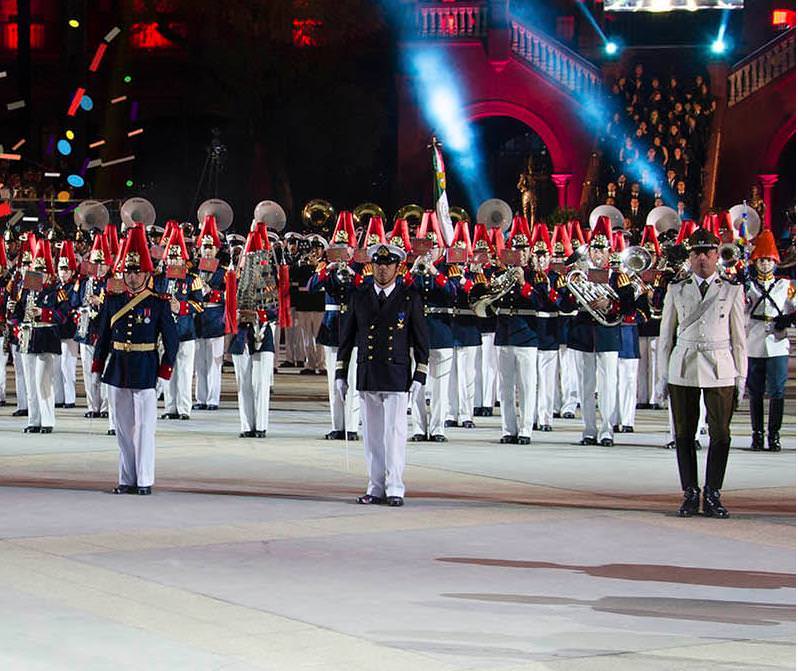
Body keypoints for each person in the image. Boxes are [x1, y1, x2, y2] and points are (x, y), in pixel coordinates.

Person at [655, 228, 747, 518]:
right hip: (684, 366)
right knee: (684, 433)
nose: (702, 258)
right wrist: (661, 377)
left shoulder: (732, 290)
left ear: (717, 256)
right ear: (690, 257)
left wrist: (740, 377)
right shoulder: (676, 289)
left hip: (720, 366)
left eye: (708, 252)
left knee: (720, 434)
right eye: (696, 253)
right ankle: (690, 492)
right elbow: (665, 337)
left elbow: (739, 338)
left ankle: (713, 492)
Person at [336, 242, 429, 507]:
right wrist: (341, 373)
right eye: (378, 263)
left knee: (394, 434)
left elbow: (421, 340)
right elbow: (347, 337)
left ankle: (395, 487)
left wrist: (420, 375)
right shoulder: (360, 295)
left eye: (388, 264)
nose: (382, 269)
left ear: (398, 267)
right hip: (368, 372)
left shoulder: (409, 297)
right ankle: (375, 487)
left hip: (396, 373)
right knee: (373, 437)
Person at [92, 223, 178, 495]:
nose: (132, 277)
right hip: (117, 368)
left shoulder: (159, 302)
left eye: (137, 271)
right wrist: (97, 363)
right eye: (128, 271)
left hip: (145, 368)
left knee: (144, 429)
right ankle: (126, 478)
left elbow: (172, 341)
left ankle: (144, 480)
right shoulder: (113, 301)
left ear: (146, 273)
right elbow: (103, 334)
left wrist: (165, 371)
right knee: (122, 428)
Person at [744, 230, 795, 451]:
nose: (765, 264)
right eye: (761, 260)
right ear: (756, 262)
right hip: (754, 341)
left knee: (777, 391)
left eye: (769, 260)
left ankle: (774, 435)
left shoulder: (786, 286)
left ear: (775, 262)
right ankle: (757, 434)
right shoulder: (749, 285)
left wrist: (789, 319)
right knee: (755, 392)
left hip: (777, 342)